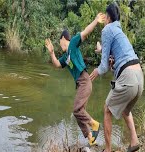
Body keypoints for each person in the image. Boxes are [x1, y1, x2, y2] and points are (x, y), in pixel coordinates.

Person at [89, 3, 144, 152]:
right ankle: (134, 141)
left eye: (105, 17)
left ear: (108, 17)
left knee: (107, 109)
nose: (104, 20)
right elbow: (116, 57)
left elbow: (105, 66)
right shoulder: (119, 31)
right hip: (139, 76)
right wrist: (102, 51)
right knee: (126, 110)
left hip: (128, 77)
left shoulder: (107, 29)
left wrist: (95, 72)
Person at [45, 13, 105, 145]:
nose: (59, 44)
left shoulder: (72, 44)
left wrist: (95, 21)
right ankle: (91, 139)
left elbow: (85, 33)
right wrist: (52, 53)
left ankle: (94, 124)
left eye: (59, 41)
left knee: (77, 110)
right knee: (79, 114)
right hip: (80, 84)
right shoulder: (66, 56)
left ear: (63, 38)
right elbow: (57, 64)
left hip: (84, 80)